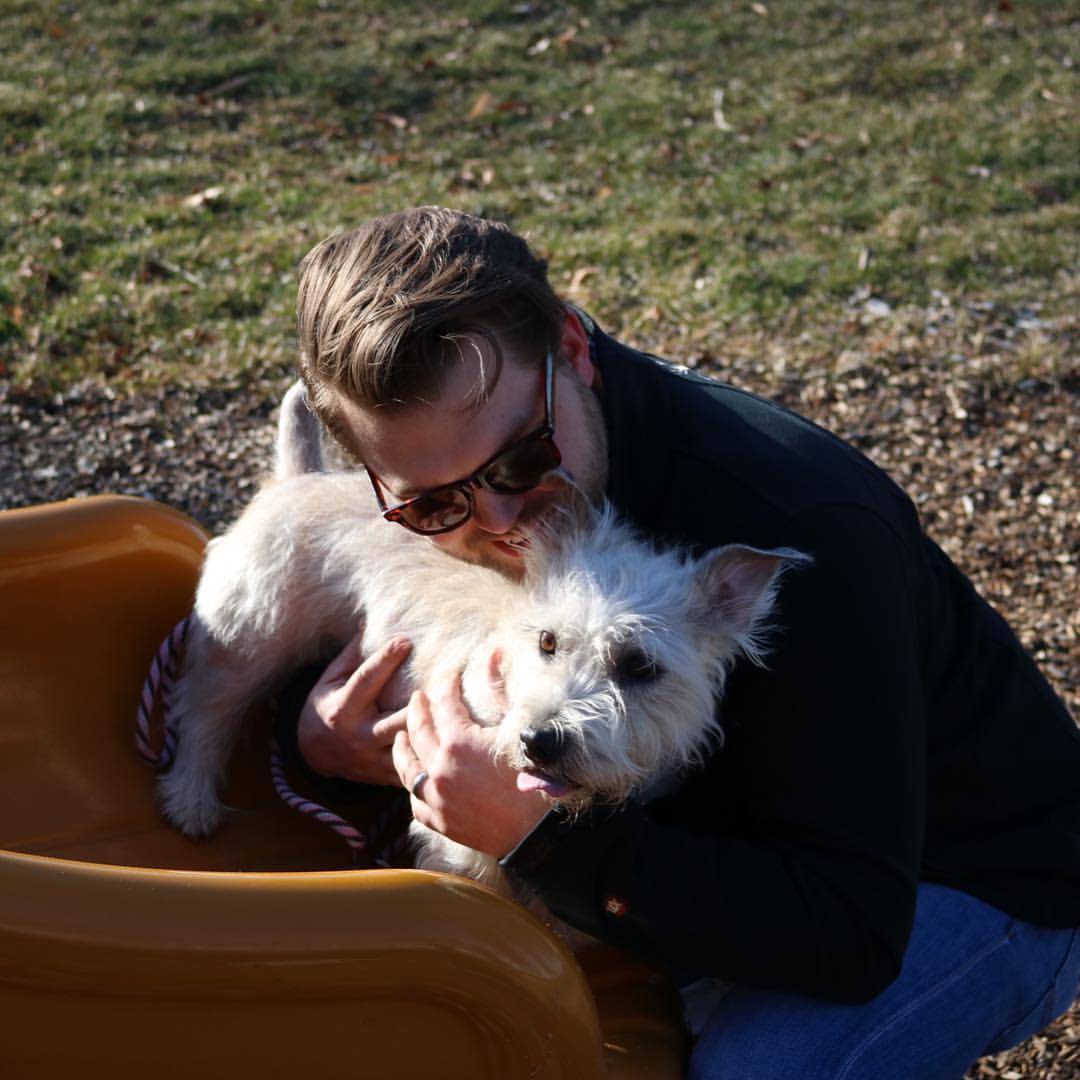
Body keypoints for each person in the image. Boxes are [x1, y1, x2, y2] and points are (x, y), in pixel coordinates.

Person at [277, 206, 1080, 1078]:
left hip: (970, 876)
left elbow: (850, 931)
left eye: (521, 459)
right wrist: (321, 737)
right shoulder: (500, 488)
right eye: (434, 505)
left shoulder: (798, 536)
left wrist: (537, 838)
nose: (502, 524)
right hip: (718, 852)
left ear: (573, 348)